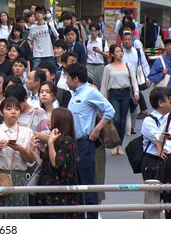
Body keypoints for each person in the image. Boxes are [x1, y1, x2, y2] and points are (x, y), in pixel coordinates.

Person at [66, 63, 115, 219]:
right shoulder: (75, 94)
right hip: (73, 143)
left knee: (88, 183)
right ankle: (80, 218)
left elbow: (110, 110)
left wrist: (97, 129)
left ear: (75, 79)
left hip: (85, 143)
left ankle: (92, 219)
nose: (66, 81)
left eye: (67, 78)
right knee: (78, 183)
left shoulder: (90, 92)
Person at [0, 97, 34, 219]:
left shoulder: (27, 132)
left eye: (17, 109)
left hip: (18, 176)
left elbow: (31, 159)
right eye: (9, 109)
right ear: (1, 112)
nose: (13, 112)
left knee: (17, 215)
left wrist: (19, 148)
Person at [33, 108, 81, 219]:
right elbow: (44, 164)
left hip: (60, 194)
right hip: (46, 189)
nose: (49, 121)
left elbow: (56, 163)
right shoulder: (56, 140)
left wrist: (50, 143)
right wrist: (32, 151)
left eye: (52, 118)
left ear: (60, 121)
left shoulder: (67, 141)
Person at [100, 44, 139, 155]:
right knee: (115, 119)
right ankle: (114, 143)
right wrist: (102, 100)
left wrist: (136, 92)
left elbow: (134, 81)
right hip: (113, 94)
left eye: (121, 51)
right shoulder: (108, 68)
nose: (120, 53)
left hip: (125, 93)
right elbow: (104, 84)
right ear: (112, 54)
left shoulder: (128, 66)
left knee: (122, 120)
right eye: (117, 51)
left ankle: (119, 145)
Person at [141, 87, 171, 181]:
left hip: (165, 159)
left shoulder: (168, 117)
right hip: (153, 161)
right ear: (161, 103)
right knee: (155, 193)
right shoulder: (149, 121)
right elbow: (159, 138)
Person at [85, 22, 109, 89]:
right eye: (92, 31)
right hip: (89, 66)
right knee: (88, 85)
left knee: (100, 86)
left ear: (98, 31)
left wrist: (99, 51)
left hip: (99, 66)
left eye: (95, 31)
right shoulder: (86, 42)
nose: (93, 32)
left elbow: (107, 55)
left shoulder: (102, 42)